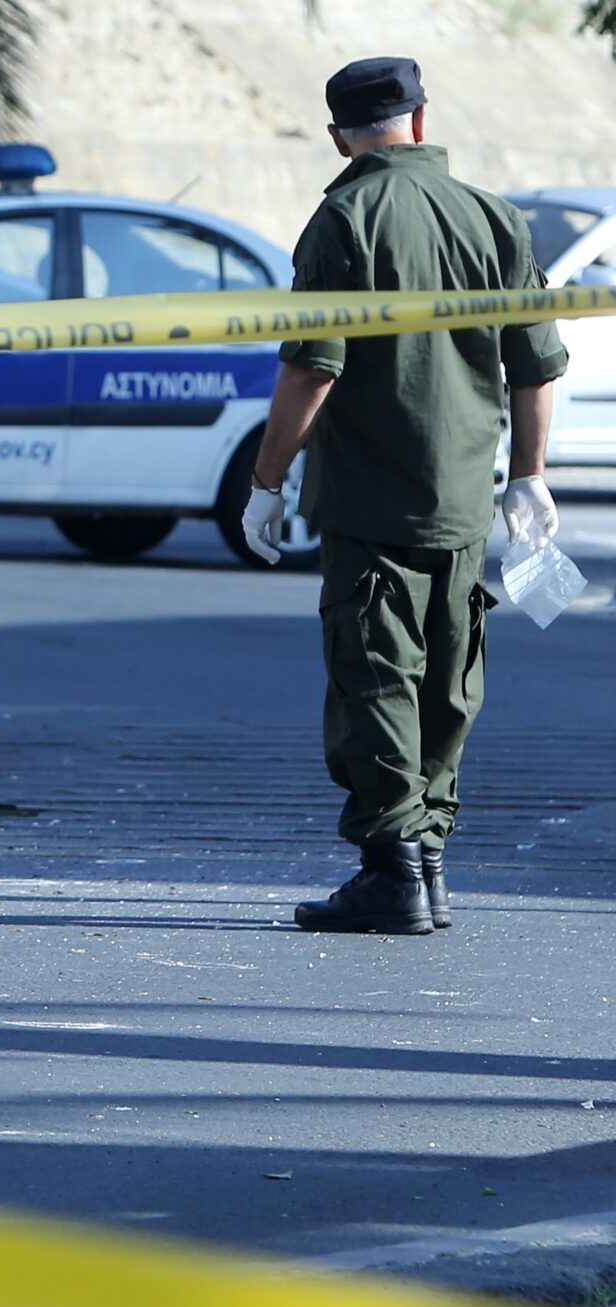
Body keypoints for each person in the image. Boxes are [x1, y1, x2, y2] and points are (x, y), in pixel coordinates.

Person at [241, 56, 568, 935]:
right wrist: (529, 474)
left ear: (338, 137)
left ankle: (394, 872)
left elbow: (313, 369)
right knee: (449, 682)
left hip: (369, 502)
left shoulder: (344, 218)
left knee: (378, 678)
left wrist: (266, 481)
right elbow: (536, 364)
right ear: (422, 121)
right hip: (462, 501)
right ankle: (428, 863)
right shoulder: (493, 217)